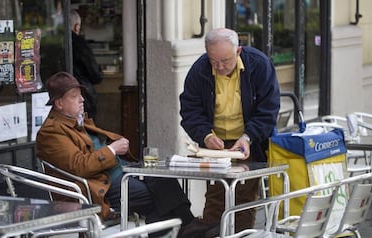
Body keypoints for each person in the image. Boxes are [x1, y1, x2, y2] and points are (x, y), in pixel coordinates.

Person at [37, 72, 218, 238]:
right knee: (156, 197)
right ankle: (187, 228)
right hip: (98, 186)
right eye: (74, 96)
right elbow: (80, 166)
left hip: (116, 173)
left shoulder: (75, 120)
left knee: (163, 179)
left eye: (80, 94)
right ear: (59, 103)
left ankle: (186, 227)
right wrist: (112, 150)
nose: (82, 99)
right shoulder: (52, 132)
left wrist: (113, 149)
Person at [179, 28, 280, 232]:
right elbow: (190, 111)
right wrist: (205, 135)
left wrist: (248, 136)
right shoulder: (199, 70)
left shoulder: (259, 65)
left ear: (238, 51)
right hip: (215, 145)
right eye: (214, 61)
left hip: (248, 142)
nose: (220, 66)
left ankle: (241, 235)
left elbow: (268, 109)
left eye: (225, 60)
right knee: (215, 199)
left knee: (244, 200)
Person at [70, 9, 103, 119]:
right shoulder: (80, 43)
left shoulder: (53, 42)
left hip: (57, 97)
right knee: (85, 132)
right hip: (83, 96)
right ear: (76, 26)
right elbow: (95, 75)